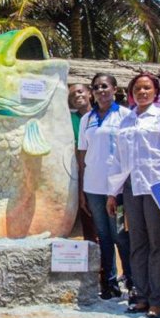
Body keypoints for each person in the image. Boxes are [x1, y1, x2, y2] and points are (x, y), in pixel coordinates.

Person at [106, 72, 160, 318]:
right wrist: (112, 193)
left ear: (155, 92)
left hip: (157, 188)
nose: (142, 92)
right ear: (131, 94)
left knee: (158, 244)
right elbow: (118, 159)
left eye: (147, 88)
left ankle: (157, 299)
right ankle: (141, 295)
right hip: (132, 189)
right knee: (137, 243)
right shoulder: (126, 121)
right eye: (137, 89)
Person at [77, 74, 130, 299]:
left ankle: (132, 281)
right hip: (93, 187)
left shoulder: (125, 115)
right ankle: (109, 283)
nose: (101, 90)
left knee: (120, 235)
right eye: (97, 87)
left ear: (114, 89)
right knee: (103, 236)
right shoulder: (86, 119)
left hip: (117, 188)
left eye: (105, 86)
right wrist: (82, 189)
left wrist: (120, 186)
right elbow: (82, 154)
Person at [69, 82, 98, 244]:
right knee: (87, 217)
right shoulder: (69, 120)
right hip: (79, 172)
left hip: (99, 172)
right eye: (72, 95)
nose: (77, 96)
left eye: (80, 92)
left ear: (89, 93)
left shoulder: (100, 115)